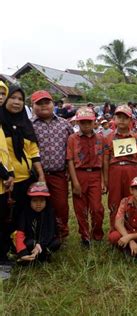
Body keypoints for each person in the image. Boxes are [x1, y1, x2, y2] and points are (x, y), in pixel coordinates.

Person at [1, 86, 45, 240]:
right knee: (5, 217)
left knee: (22, 214)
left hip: (26, 180)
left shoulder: (26, 124)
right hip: (5, 182)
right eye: (13, 97)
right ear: (5, 99)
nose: (17, 102)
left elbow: (33, 152)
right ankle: (4, 251)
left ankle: (20, 244)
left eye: (20, 99)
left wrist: (40, 174)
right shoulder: (0, 123)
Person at [31, 90, 72, 239]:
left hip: (58, 174)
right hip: (36, 175)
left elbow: (72, 148)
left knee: (61, 206)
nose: (43, 106)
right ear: (32, 106)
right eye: (39, 103)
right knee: (38, 205)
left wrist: (70, 170)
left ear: (53, 103)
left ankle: (61, 234)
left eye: (46, 102)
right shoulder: (29, 125)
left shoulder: (65, 124)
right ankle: (40, 234)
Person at [67, 107, 107, 247]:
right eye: (82, 122)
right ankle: (84, 236)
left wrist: (103, 180)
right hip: (79, 174)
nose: (86, 125)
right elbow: (70, 160)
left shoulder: (100, 139)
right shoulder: (72, 139)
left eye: (89, 122)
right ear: (78, 123)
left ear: (94, 122)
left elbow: (103, 161)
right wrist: (75, 182)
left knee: (97, 208)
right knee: (80, 208)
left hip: (95, 174)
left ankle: (97, 233)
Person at [103, 105, 137, 229]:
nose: (122, 120)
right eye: (119, 117)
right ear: (114, 119)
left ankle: (132, 227)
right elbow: (105, 160)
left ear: (130, 120)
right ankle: (115, 229)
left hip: (132, 169)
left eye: (125, 118)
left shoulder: (136, 137)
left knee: (132, 199)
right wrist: (105, 179)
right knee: (114, 200)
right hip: (115, 170)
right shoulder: (108, 138)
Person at [15, 182, 61, 265]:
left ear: (46, 201)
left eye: (42, 200)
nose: (38, 204)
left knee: (56, 242)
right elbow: (19, 233)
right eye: (35, 201)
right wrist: (22, 253)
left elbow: (50, 232)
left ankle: (42, 256)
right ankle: (30, 257)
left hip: (44, 242)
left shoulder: (49, 212)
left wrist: (40, 245)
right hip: (31, 241)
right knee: (29, 243)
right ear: (30, 201)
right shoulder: (25, 212)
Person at [0, 81, 15, 276]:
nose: (0, 96)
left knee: (2, 221)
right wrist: (5, 173)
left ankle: (3, 258)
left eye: (3, 93)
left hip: (3, 185)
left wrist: (9, 173)